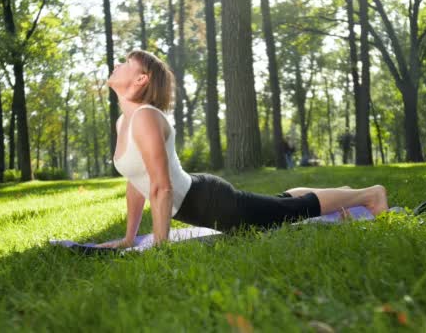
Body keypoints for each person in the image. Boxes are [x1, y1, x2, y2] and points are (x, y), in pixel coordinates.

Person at [96, 50, 388, 248]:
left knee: (291, 211)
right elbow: (137, 183)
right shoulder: (124, 121)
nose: (117, 65)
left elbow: (162, 188)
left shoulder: (146, 116)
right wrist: (128, 238)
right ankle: (345, 194)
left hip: (213, 203)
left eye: (125, 62)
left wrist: (160, 246)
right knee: (278, 203)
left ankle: (369, 195)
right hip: (203, 197)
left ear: (140, 79)